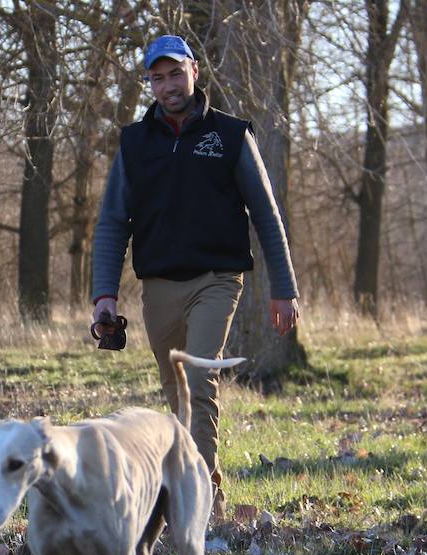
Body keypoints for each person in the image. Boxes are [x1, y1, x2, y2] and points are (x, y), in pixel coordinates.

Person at [91, 34, 300, 519]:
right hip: (158, 289)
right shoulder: (135, 144)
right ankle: (210, 489)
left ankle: (198, 506)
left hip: (218, 280)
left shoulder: (229, 135)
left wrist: (284, 289)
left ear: (194, 72)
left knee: (199, 384)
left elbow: (266, 215)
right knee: (178, 395)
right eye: (157, 78)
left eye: (175, 73)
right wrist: (104, 297)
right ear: (149, 83)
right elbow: (111, 221)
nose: (168, 86)